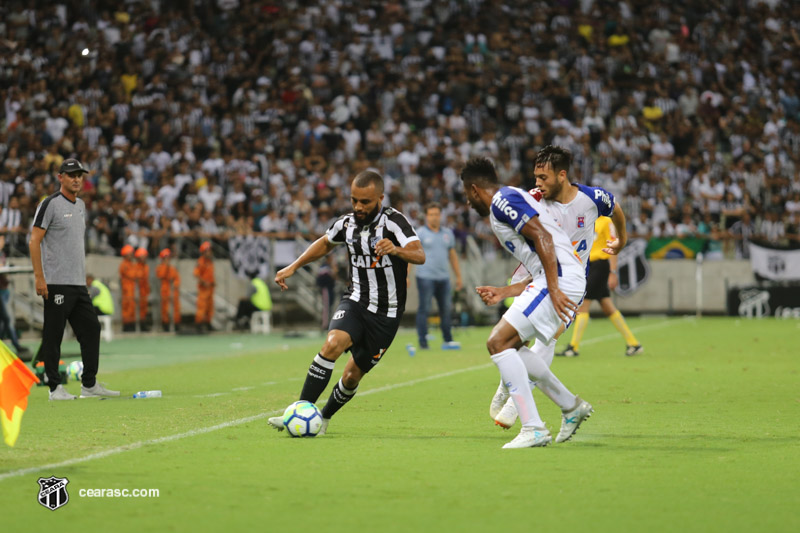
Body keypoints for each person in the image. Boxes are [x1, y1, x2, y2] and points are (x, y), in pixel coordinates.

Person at [474, 145, 628, 429]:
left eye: (543, 178)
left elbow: (616, 209)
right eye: (535, 177)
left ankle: (517, 406)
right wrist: (506, 289)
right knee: (512, 339)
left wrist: (622, 240)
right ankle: (509, 386)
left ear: (562, 175)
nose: (537, 184)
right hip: (535, 273)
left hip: (569, 280)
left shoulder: (592, 198)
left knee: (548, 337)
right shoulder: (532, 201)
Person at [268, 170, 425, 436]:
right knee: (332, 343)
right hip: (355, 300)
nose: (358, 207)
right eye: (354, 200)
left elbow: (419, 255)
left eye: (365, 202)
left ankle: (324, 417)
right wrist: (294, 266)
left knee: (352, 376)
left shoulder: (394, 222)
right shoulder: (346, 223)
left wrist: (396, 250)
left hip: (386, 315)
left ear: (380, 198)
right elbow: (325, 243)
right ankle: (300, 410)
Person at [460, 156, 590, 448]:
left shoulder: (501, 200)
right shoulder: (505, 203)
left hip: (558, 277)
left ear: (474, 189)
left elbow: (542, 237)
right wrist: (505, 291)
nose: (468, 203)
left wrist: (554, 288)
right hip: (553, 277)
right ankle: (570, 406)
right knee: (511, 345)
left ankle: (533, 427)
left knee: (497, 342)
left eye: (467, 196)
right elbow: (539, 250)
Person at [29, 158, 119, 400]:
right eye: (71, 175)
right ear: (60, 177)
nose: (77, 179)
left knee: (91, 328)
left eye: (79, 175)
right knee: (54, 334)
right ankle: (54, 388)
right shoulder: (50, 204)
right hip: (56, 282)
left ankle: (89, 385)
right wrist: (40, 277)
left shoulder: (80, 205)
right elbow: (34, 240)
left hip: (78, 284)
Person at [557, 216, 642, 357]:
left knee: (584, 304)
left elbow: (613, 244)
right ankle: (633, 343)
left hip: (600, 265)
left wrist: (613, 272)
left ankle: (573, 347)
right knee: (607, 306)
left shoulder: (606, 221)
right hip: (589, 266)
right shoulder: (587, 220)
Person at [413, 202, 463, 350]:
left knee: (446, 309)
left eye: (436, 214)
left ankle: (447, 340)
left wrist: (458, 276)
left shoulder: (448, 234)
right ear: (426, 216)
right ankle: (423, 342)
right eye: (431, 214)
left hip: (444, 278)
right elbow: (412, 254)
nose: (434, 217)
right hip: (425, 277)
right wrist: (406, 276)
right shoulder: (420, 233)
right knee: (424, 309)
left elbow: (453, 256)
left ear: (440, 216)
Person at [155, 248, 180, 331]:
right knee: (165, 308)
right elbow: (161, 276)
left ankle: (176, 324)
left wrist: (175, 285)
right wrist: (166, 267)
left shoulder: (172, 268)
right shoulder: (160, 268)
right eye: (166, 257)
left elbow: (177, 278)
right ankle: (165, 325)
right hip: (165, 290)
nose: (167, 259)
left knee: (175, 308)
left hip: (173, 290)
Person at [194, 241, 215, 332]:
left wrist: (213, 282)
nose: (210, 252)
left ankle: (208, 324)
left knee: (209, 307)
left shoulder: (210, 262)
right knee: (202, 307)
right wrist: (203, 282)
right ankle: (198, 325)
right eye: (208, 250)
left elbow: (210, 275)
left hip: (210, 288)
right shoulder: (200, 262)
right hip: (203, 289)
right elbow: (196, 274)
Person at [119, 244, 137, 331]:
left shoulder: (131, 264)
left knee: (132, 308)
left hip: (131, 289)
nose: (131, 255)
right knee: (127, 308)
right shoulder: (124, 265)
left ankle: (131, 325)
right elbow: (132, 275)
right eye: (130, 253)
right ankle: (127, 326)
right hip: (127, 289)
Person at [134, 247, 151, 331]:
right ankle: (134, 325)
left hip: (144, 291)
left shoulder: (146, 267)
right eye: (143, 256)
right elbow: (137, 278)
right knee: (135, 308)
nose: (144, 258)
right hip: (137, 291)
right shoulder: (136, 267)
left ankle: (143, 325)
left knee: (144, 309)